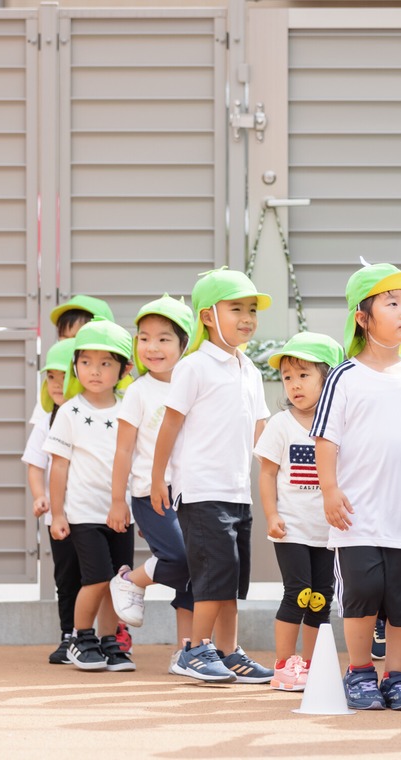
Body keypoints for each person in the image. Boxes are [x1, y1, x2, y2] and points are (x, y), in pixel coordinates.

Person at [311, 262, 401, 712]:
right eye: (392, 303)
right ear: (362, 318)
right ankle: (361, 672)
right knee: (362, 596)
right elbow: (325, 439)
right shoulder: (344, 377)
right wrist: (329, 489)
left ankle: (399, 678)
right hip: (358, 516)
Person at [150, 268, 273, 684]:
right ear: (207, 316)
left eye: (251, 310)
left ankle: (228, 650)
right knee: (214, 572)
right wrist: (156, 479)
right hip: (201, 488)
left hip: (238, 491)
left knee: (233, 576)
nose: (247, 318)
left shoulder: (250, 370)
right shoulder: (194, 366)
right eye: (236, 308)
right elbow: (169, 425)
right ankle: (194, 649)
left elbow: (262, 433)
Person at [107, 295, 197, 675]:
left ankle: (187, 652)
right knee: (179, 558)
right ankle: (131, 580)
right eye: (144, 338)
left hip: (193, 493)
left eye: (164, 338)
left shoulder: (195, 382)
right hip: (149, 491)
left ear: (183, 344)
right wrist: (117, 501)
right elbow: (124, 450)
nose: (152, 347)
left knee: (197, 574)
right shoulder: (139, 391)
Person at [253, 332, 345, 692]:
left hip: (329, 530)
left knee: (322, 598)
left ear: (327, 377)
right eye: (288, 377)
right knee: (298, 594)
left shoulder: (339, 424)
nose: (294, 384)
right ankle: (283, 665)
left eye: (303, 375)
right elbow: (267, 473)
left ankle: (311, 664)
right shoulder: (280, 424)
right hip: (291, 529)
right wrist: (272, 515)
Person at [43, 318, 136, 672]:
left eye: (105, 363)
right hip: (83, 513)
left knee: (118, 581)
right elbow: (59, 466)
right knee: (96, 577)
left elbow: (136, 461)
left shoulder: (128, 408)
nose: (94, 371)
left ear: (124, 369)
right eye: (86, 362)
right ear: (75, 366)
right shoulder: (69, 411)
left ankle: (109, 641)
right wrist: (58, 514)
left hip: (120, 514)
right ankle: (82, 638)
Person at [21, 339, 80, 664]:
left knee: (98, 576)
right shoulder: (47, 418)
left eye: (63, 377)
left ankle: (98, 636)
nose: (57, 385)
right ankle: (68, 635)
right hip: (58, 517)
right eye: (51, 378)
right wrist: (41, 496)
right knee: (66, 577)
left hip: (92, 513)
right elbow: (35, 464)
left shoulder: (91, 413)